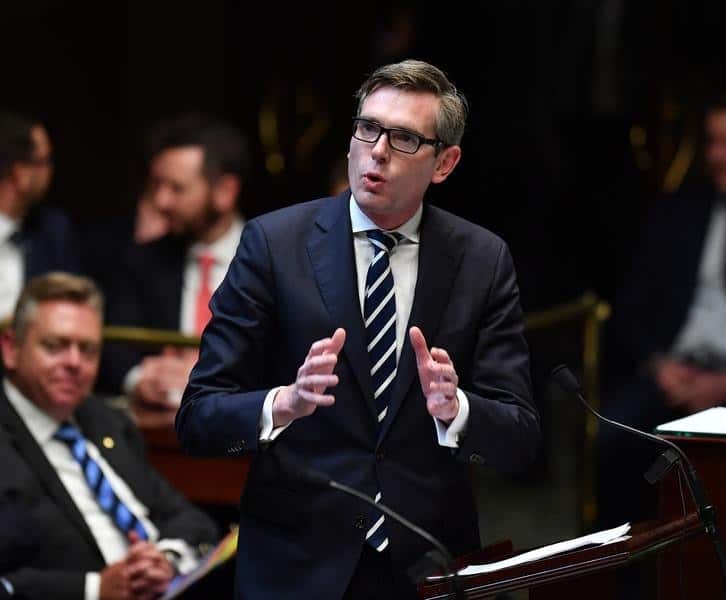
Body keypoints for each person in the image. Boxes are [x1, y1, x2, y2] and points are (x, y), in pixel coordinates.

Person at [175, 59, 541, 598]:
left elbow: (521, 439)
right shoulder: (274, 245)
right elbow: (199, 418)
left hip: (425, 566)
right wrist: (285, 403)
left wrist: (456, 409)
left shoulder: (482, 260)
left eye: (405, 138)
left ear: (445, 162)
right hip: (297, 564)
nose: (379, 150)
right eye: (368, 128)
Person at [597, 89, 726, 528]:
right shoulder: (682, 210)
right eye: (712, 142)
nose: (717, 155)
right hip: (675, 378)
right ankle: (632, 575)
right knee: (612, 433)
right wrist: (660, 365)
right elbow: (631, 307)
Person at [0, 272, 218, 599]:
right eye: (55, 346)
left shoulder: (105, 419)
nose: (74, 362)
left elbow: (187, 518)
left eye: (88, 349)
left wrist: (166, 559)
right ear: (11, 348)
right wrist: (94, 589)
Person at [100, 115, 251, 425]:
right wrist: (141, 379)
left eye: (177, 189)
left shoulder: (273, 260)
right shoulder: (141, 261)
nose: (161, 201)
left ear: (224, 191)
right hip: (161, 433)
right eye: (157, 185)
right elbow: (112, 347)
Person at [0, 110, 81, 319]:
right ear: (20, 173)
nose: (50, 170)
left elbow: (71, 307)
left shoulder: (54, 231)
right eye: (45, 160)